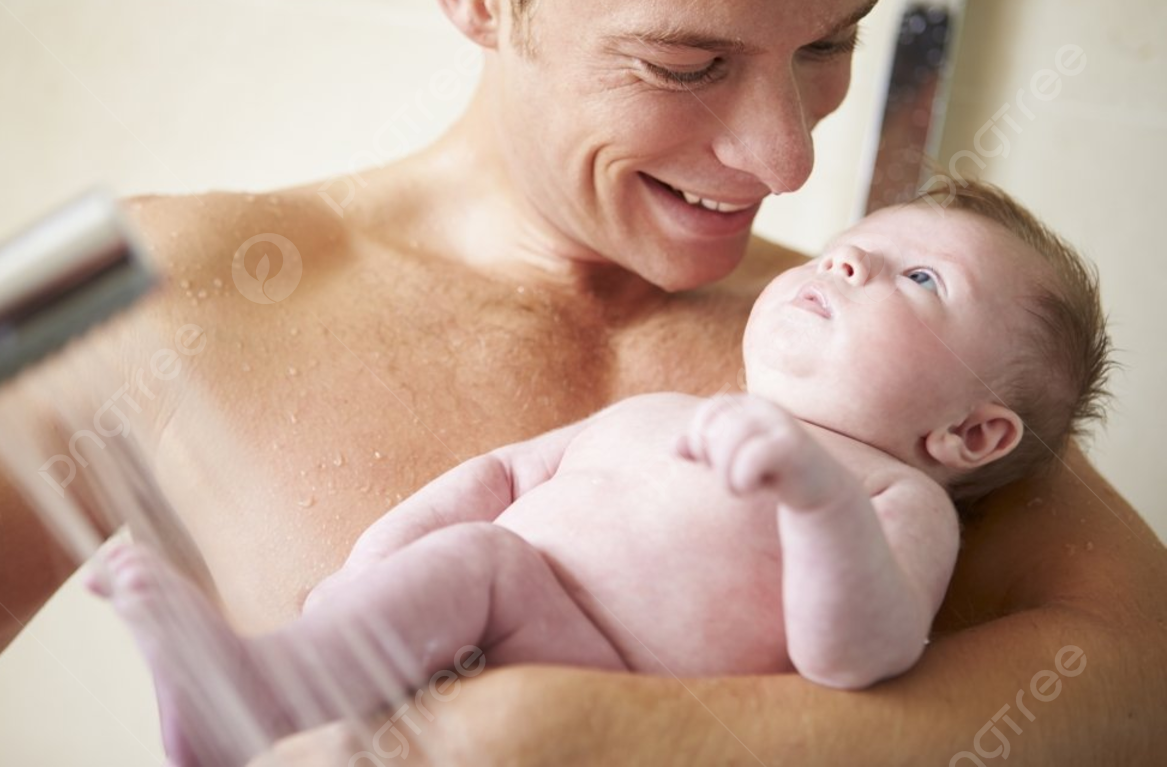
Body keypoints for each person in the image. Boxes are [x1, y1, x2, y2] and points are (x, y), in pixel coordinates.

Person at [0, 0, 1163, 764]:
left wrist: (622, 737)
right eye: (686, 63)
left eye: (830, 41)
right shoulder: (106, 272)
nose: (788, 157)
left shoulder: (900, 377)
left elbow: (1146, 679)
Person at [85, 181, 1115, 767]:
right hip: (492, 611)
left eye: (921, 279)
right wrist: (368, 572)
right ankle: (259, 691)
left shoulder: (899, 497)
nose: (846, 263)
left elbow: (862, 655)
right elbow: (498, 475)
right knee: (473, 555)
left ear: (972, 435)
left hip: (611, 681)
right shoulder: (670, 412)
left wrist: (813, 497)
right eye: (852, 247)